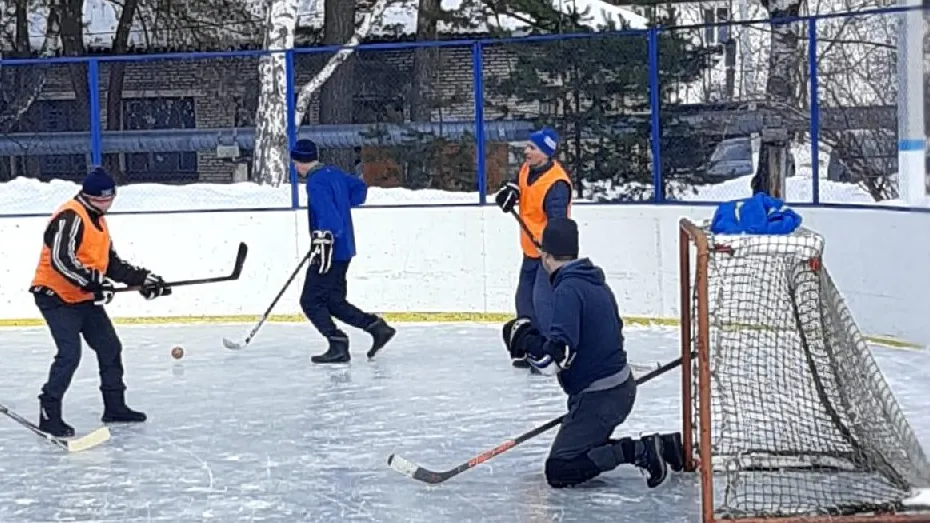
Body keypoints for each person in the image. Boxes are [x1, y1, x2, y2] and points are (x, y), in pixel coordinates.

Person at [501, 218, 684, 488]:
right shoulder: (593, 280)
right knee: (583, 447)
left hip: (600, 398)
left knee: (561, 469)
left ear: (545, 256)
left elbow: (553, 361)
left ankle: (640, 451)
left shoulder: (567, 290)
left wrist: (525, 341)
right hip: (618, 387)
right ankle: (666, 446)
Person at [29, 167, 173, 437]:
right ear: (88, 196)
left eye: (109, 199)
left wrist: (143, 279)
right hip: (55, 296)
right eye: (100, 200)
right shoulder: (70, 216)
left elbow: (110, 265)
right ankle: (49, 411)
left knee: (109, 347)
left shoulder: (98, 219)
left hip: (83, 297)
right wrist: (94, 282)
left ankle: (115, 406)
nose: (106, 205)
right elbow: (62, 260)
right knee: (69, 354)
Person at [291, 139, 395, 364]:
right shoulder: (334, 173)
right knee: (334, 301)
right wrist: (342, 203)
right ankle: (377, 328)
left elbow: (329, 218)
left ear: (298, 161)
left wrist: (324, 236)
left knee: (310, 301)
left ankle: (337, 342)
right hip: (344, 249)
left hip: (328, 251)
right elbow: (360, 190)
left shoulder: (315, 182)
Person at [494, 127, 572, 368]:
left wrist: (549, 249)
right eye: (528, 146)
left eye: (532, 148)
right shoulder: (528, 169)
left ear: (545, 153)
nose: (526, 151)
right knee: (524, 300)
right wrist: (511, 192)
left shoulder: (557, 184)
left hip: (550, 254)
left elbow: (558, 223)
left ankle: (554, 350)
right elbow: (521, 187)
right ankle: (530, 346)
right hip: (530, 250)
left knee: (543, 301)